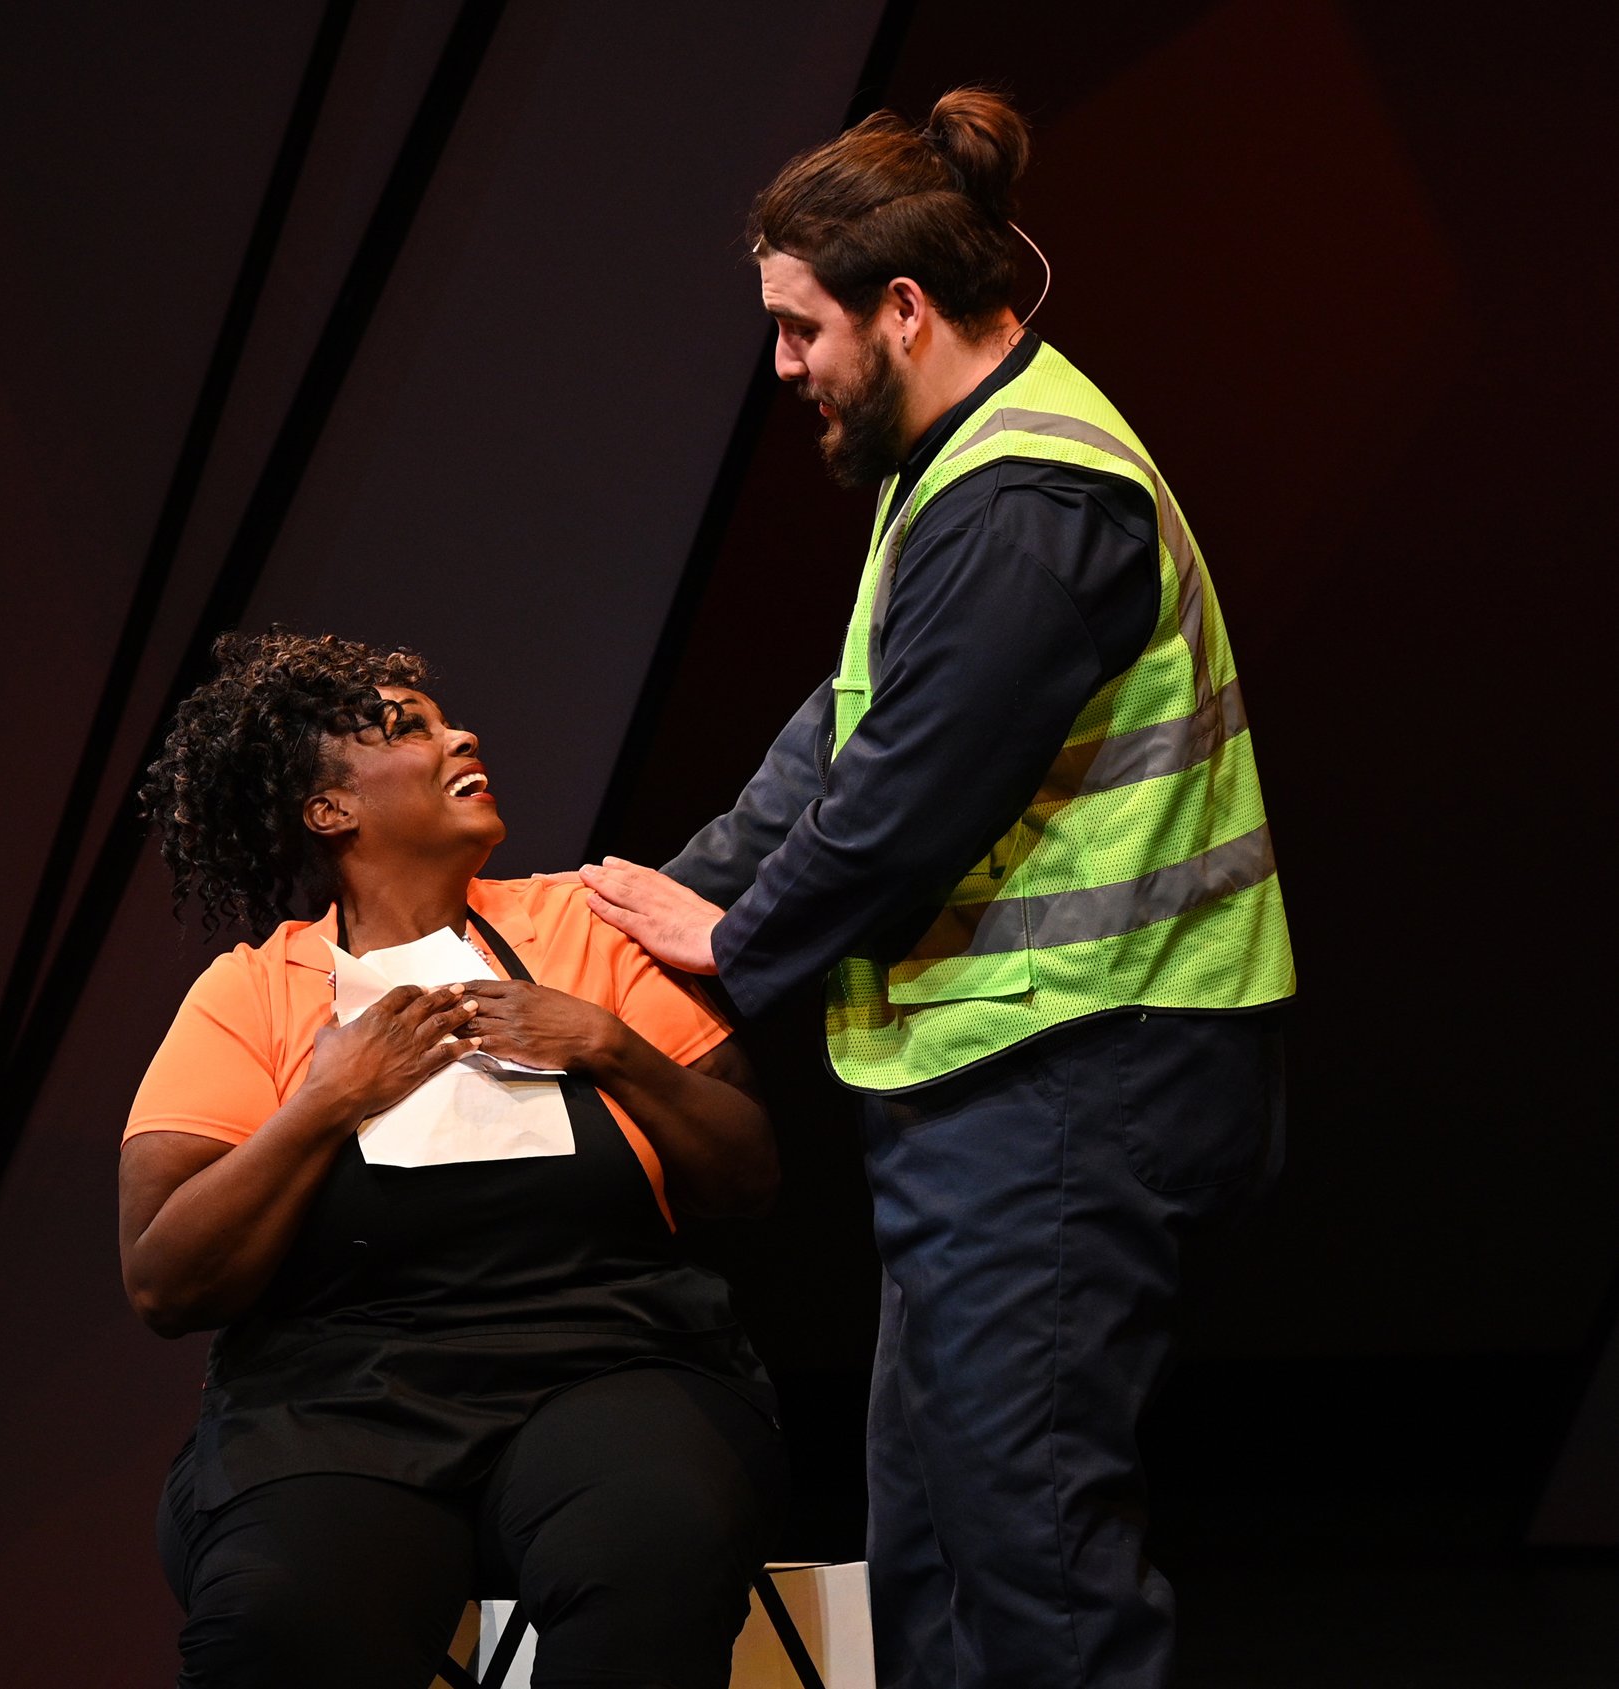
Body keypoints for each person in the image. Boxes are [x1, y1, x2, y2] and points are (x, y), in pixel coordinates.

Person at [579, 90, 1293, 1689]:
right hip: (1000, 1081)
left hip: (1079, 1073)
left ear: (902, 310)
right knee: (936, 1547)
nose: (782, 371)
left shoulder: (1033, 500)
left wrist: (737, 942)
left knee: (1030, 1563)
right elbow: (840, 729)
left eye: (797, 329)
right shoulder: (959, 462)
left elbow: (905, 806)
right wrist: (642, 905)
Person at [121, 631, 789, 1689]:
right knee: (276, 1621)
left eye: (447, 719)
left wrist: (605, 1045)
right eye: (407, 728)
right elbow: (164, 1278)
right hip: (339, 1402)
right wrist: (326, 1102)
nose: (459, 733)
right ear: (327, 810)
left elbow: (746, 1173)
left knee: (650, 1551)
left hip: (608, 1364)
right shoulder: (252, 991)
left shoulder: (583, 928)